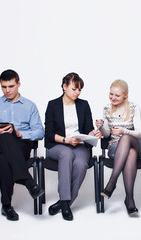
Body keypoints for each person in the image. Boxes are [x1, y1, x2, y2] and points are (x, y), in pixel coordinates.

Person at [0, 69, 45, 221]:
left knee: (4, 160)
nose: (7, 90)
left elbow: (40, 132)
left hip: (20, 145)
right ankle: (29, 183)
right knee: (4, 138)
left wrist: (21, 133)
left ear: (18, 84)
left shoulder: (30, 106)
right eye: (4, 87)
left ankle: (6, 206)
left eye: (11, 86)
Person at [44, 72, 101, 221]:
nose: (77, 92)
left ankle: (64, 203)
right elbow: (49, 134)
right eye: (74, 89)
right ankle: (65, 202)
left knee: (81, 164)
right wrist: (66, 140)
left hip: (79, 145)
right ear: (64, 87)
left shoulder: (83, 104)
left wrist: (93, 133)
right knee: (66, 154)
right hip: (58, 145)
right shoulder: (53, 105)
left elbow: (87, 128)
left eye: (79, 90)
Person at [96, 79, 141, 216]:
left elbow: (139, 132)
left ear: (125, 95)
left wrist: (125, 131)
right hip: (115, 147)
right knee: (130, 154)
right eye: (111, 94)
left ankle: (112, 182)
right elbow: (106, 134)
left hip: (136, 143)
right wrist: (101, 126)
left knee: (127, 140)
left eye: (117, 95)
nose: (113, 98)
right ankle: (129, 200)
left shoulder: (134, 107)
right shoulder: (106, 108)